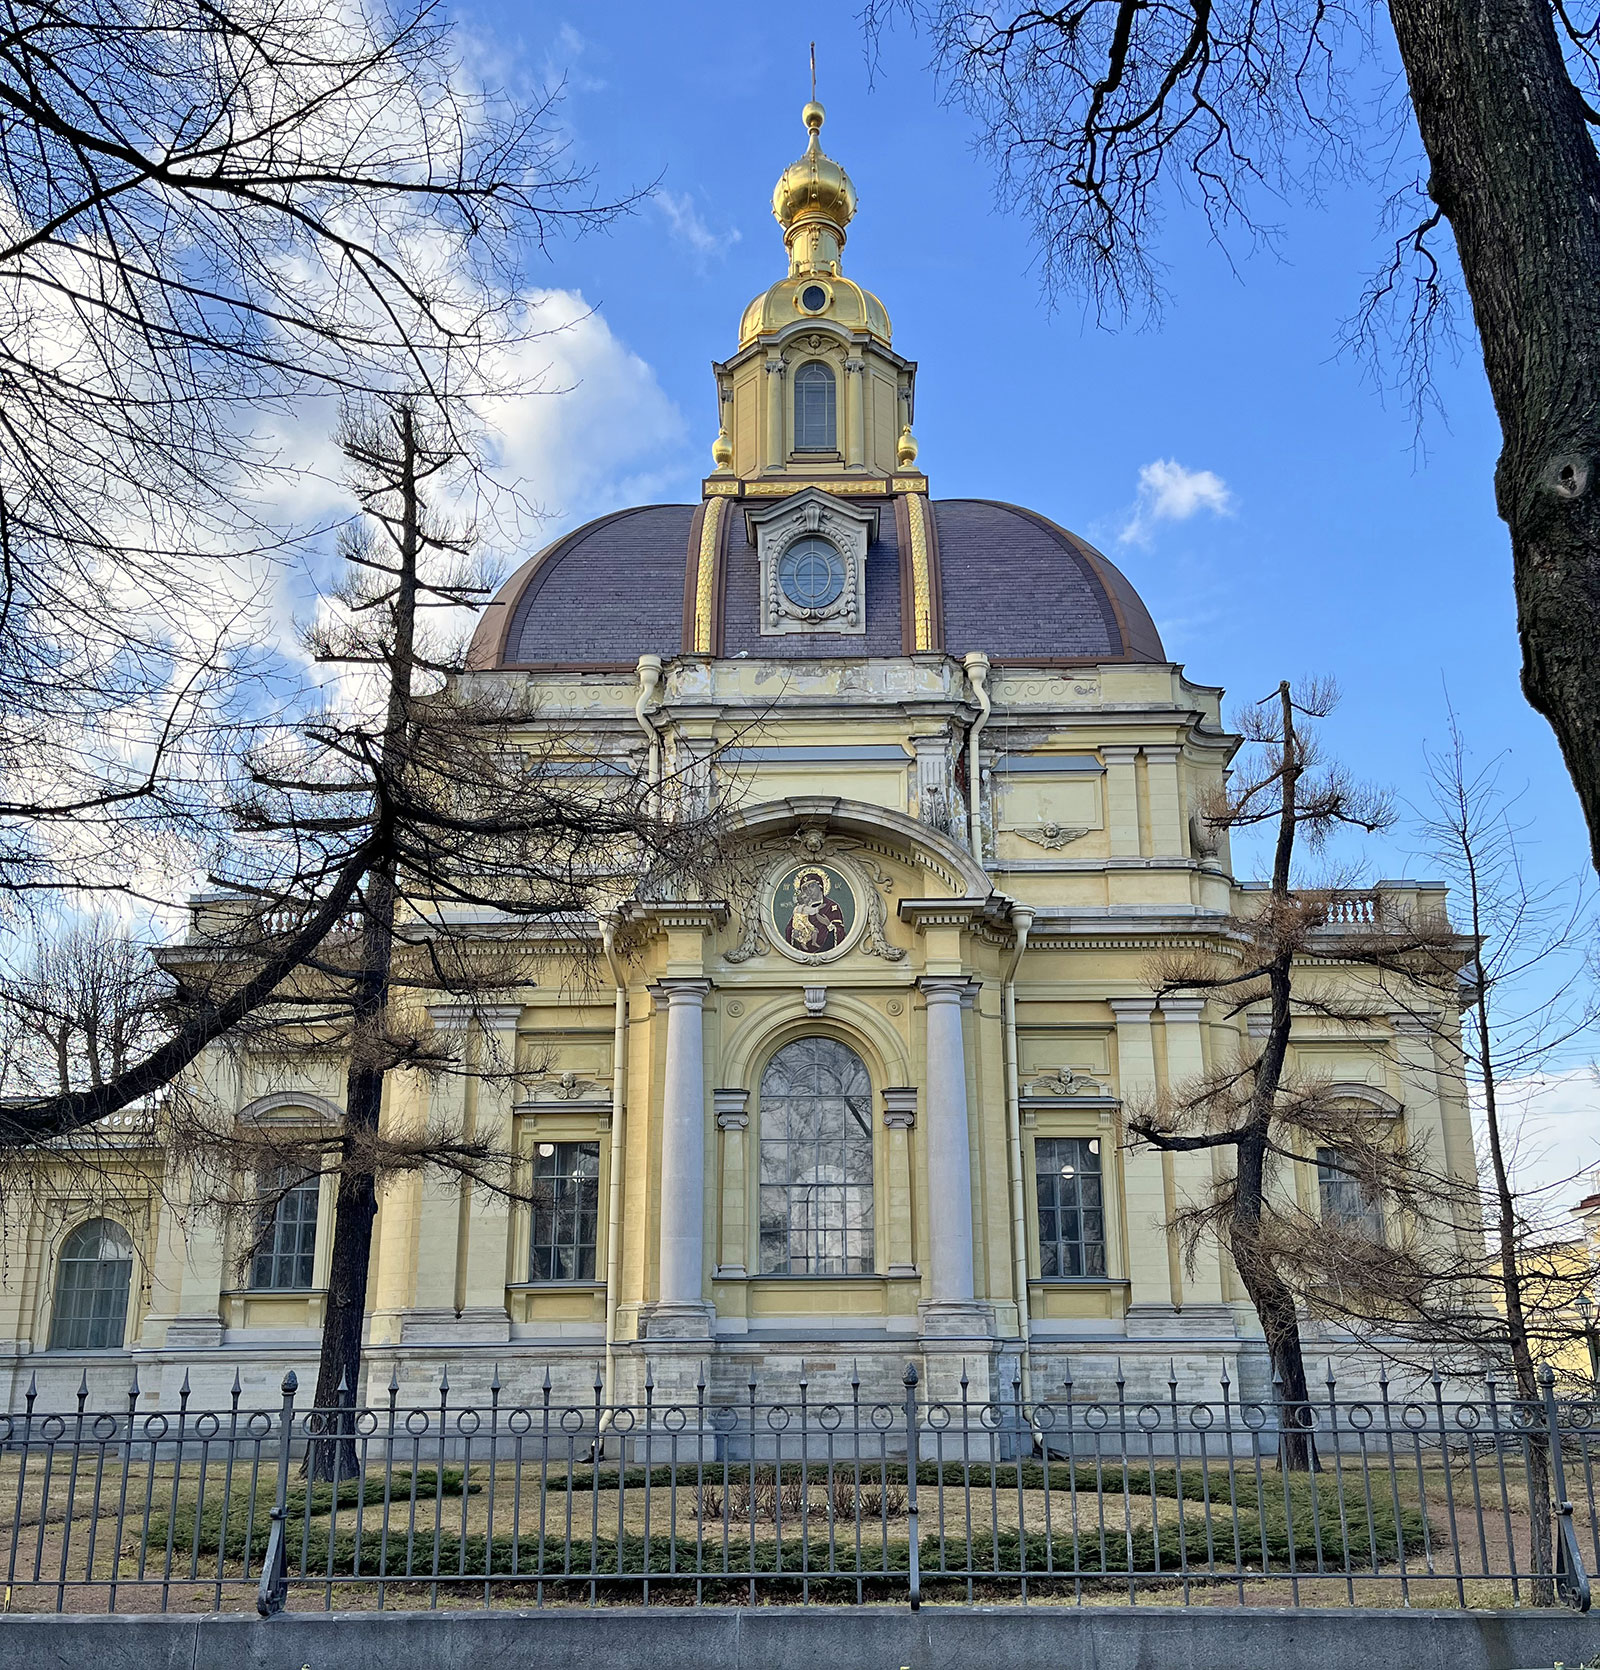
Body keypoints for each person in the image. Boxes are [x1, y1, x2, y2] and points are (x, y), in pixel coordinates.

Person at [784, 866, 846, 953]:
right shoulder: (802, 909)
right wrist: (795, 933)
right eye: (805, 888)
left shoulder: (831, 907)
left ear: (820, 886)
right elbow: (790, 928)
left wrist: (829, 925)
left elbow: (840, 933)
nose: (808, 890)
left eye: (811, 886)